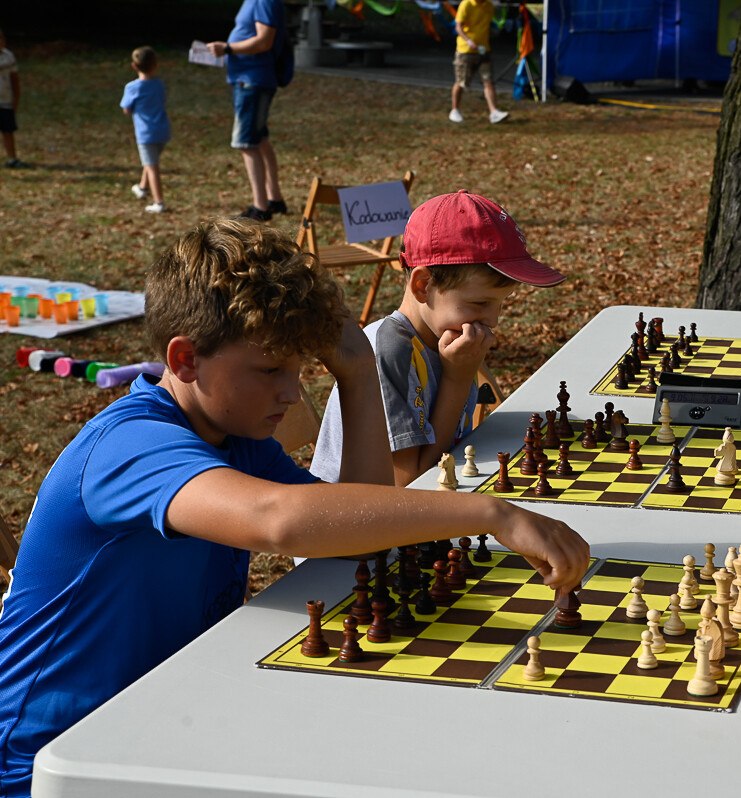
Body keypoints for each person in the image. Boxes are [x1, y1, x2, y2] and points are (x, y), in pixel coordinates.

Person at [0, 219, 589, 798]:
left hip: (159, 721)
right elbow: (280, 521)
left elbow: (357, 530)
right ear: (184, 361)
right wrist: (494, 514)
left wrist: (358, 376)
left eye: (298, 368)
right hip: (48, 764)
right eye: (269, 370)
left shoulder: (238, 442)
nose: (290, 391)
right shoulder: (129, 446)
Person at [311, 190, 563, 487]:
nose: (494, 319)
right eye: (481, 303)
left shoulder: (446, 336)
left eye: (501, 303)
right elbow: (411, 482)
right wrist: (457, 380)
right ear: (423, 285)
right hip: (358, 521)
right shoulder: (390, 352)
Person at [206, 0, 290, 221]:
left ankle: (260, 208)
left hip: (253, 80)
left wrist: (227, 48)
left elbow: (264, 41)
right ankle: (274, 199)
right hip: (248, 79)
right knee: (260, 139)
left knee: (247, 143)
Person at [120, 46, 171, 214]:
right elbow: (163, 100)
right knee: (150, 162)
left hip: (146, 133)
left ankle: (159, 202)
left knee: (152, 166)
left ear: (134, 66)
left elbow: (126, 108)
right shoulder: (159, 84)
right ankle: (142, 188)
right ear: (155, 65)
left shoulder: (132, 87)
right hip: (163, 131)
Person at [448, 0, 510, 125]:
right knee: (461, 82)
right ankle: (455, 110)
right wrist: (468, 40)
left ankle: (494, 112)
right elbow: (458, 26)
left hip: (483, 49)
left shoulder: (488, 6)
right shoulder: (466, 4)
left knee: (489, 81)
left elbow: (493, 21)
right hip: (465, 51)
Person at [0, 27, 23, 169]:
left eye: (2, 37)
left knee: (8, 130)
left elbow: (14, 80)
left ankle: (12, 158)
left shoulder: (8, 57)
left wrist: (16, 100)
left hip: (5, 100)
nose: (1, 41)